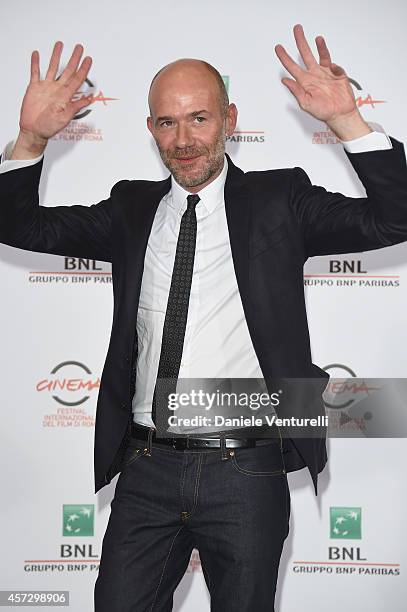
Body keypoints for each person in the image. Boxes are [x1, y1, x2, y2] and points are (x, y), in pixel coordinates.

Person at [1, 23, 407, 612]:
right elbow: (20, 227)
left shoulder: (280, 200)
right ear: (150, 129)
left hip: (245, 470)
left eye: (199, 118)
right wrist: (30, 139)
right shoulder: (129, 208)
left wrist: (348, 123)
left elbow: (393, 221)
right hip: (144, 469)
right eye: (167, 121)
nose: (183, 138)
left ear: (230, 120)